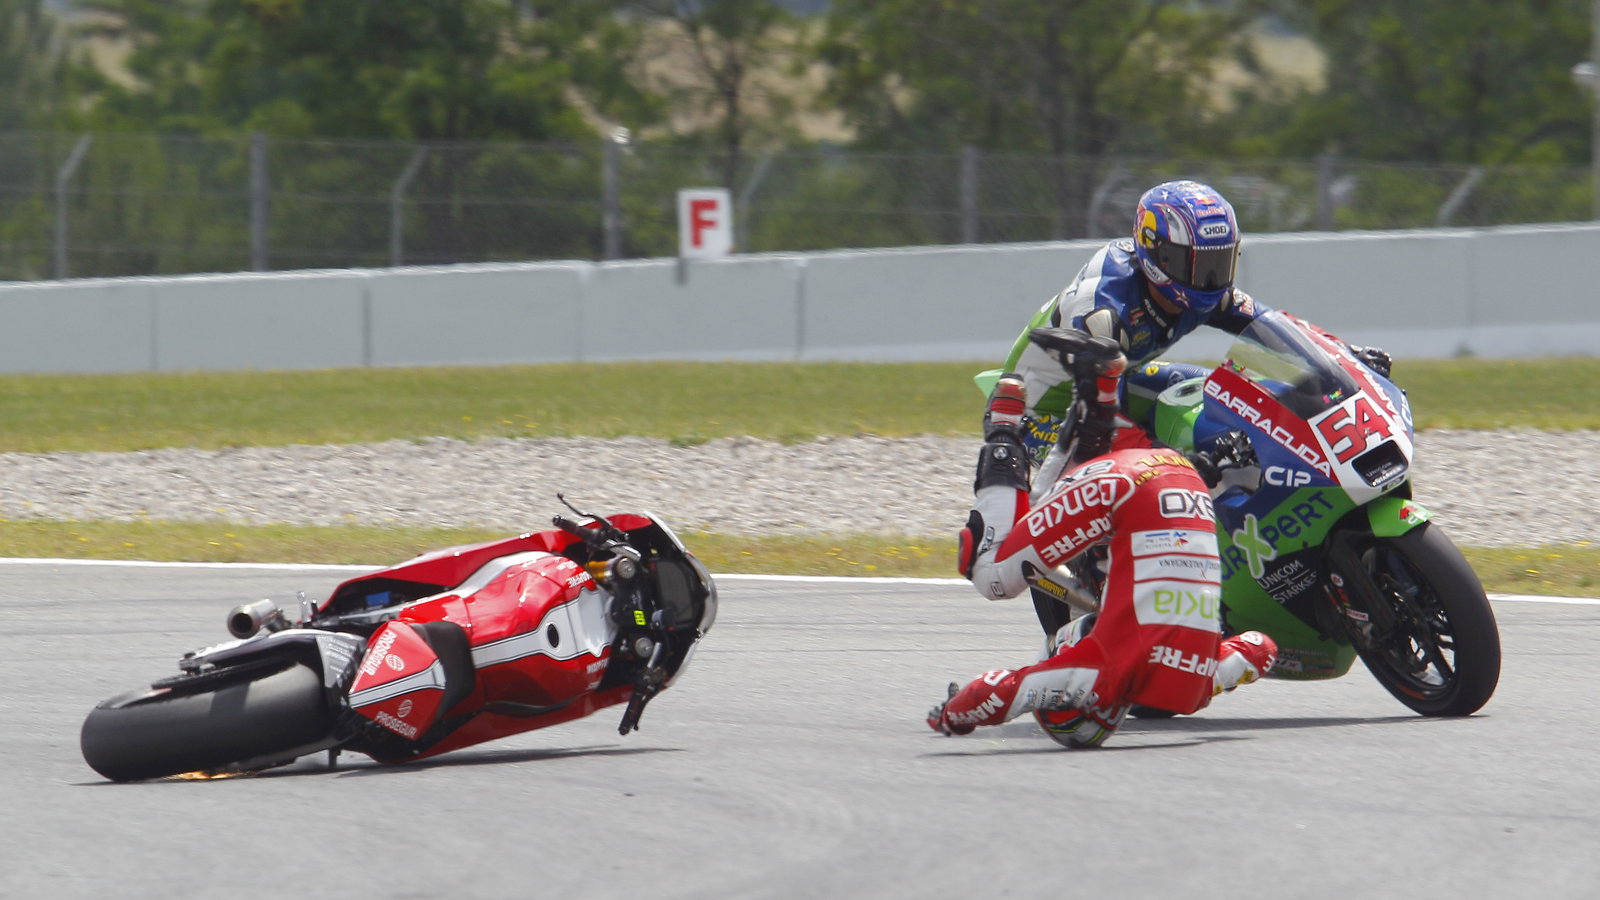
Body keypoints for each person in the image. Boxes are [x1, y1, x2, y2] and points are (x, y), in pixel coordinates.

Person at [991, 179, 1390, 633]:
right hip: (1050, 412)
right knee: (1139, 476)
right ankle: (1100, 568)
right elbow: (1100, 424)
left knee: (1218, 397)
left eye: (1219, 264)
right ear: (1155, 256)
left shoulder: (1197, 288)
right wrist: (1184, 466)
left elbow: (1272, 327)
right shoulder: (1104, 311)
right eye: (1194, 265)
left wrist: (1341, 357)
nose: (1209, 280)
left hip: (1119, 378)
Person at [934, 331, 1278, 747]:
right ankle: (1005, 428)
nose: (1062, 651)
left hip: (1185, 481)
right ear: (1087, 702)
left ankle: (1097, 398)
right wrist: (952, 717)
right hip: (1128, 486)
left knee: (1102, 545)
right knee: (991, 573)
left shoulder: (1196, 689)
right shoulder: (1097, 676)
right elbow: (999, 693)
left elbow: (1261, 647)